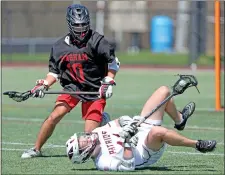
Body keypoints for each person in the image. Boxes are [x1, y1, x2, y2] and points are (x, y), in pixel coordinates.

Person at [21, 4, 120, 159]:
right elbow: (54, 73)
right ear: (69, 24)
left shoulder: (97, 41)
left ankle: (102, 121)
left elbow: (114, 63)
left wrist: (108, 80)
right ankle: (36, 149)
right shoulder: (59, 47)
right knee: (54, 116)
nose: (80, 29)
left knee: (89, 137)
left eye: (83, 25)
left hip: (94, 89)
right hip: (72, 87)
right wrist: (44, 84)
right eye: (76, 25)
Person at [66, 86, 217, 171]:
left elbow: (118, 122)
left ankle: (180, 120)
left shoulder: (96, 133)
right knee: (157, 132)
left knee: (164, 92)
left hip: (140, 130)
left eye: (81, 138)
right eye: (82, 142)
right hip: (145, 151)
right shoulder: (103, 162)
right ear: (84, 153)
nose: (84, 138)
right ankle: (197, 144)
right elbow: (128, 165)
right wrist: (127, 141)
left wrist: (127, 122)